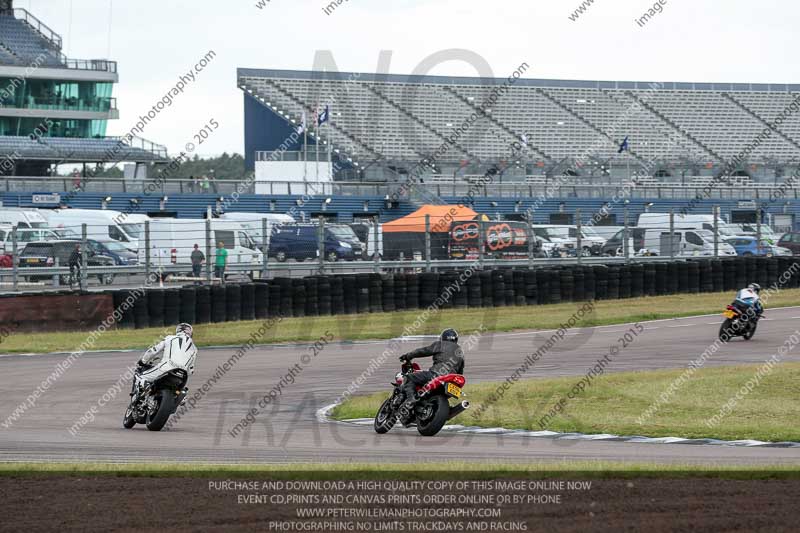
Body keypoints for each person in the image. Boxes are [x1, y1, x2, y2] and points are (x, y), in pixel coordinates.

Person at [398, 329, 464, 414]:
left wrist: (408, 356)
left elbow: (423, 351)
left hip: (436, 375)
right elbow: (460, 371)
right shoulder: (460, 352)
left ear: (443, 337)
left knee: (409, 377)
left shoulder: (440, 344)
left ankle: (410, 400)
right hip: (450, 381)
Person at [137, 323, 197, 389]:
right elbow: (190, 371)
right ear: (191, 333)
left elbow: (153, 351)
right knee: (183, 390)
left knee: (140, 377)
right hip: (182, 376)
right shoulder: (194, 349)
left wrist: (143, 361)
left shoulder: (169, 338)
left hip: (165, 368)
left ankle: (144, 391)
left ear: (178, 331)